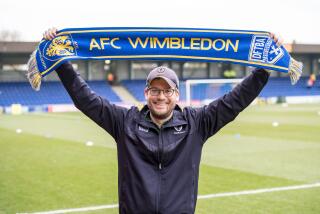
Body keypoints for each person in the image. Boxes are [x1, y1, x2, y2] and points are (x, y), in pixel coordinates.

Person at [44, 28, 283, 214]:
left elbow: (234, 101)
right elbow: (86, 100)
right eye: (155, 91)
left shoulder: (196, 123)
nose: (161, 97)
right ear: (146, 93)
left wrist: (262, 70)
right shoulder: (124, 122)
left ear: (176, 95)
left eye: (167, 91)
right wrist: (61, 62)